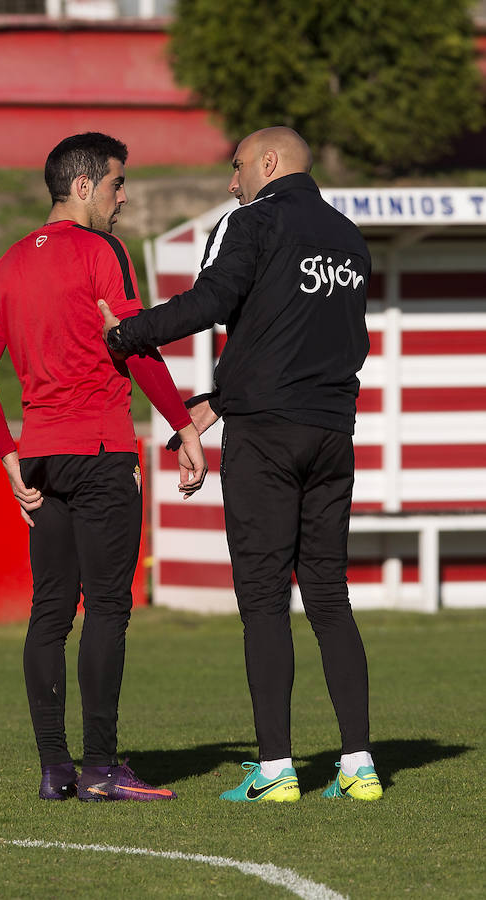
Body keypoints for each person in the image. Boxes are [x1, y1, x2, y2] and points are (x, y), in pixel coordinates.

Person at [99, 126, 383, 803]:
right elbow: (312, 336)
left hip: (266, 439)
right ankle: (358, 766)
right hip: (331, 433)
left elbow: (212, 303)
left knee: (261, 600)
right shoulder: (349, 238)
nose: (230, 182)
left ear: (266, 162)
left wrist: (126, 332)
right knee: (328, 598)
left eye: (234, 168)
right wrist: (218, 399)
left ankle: (277, 770)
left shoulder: (252, 219)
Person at [0, 132, 207, 803]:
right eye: (116, 184)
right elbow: (134, 347)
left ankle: (54, 769)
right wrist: (183, 426)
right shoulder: (102, 251)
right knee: (106, 609)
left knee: (48, 614)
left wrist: (8, 455)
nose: (122, 198)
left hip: (39, 457)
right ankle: (100, 767)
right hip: (98, 453)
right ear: (82, 186)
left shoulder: (5, 266)